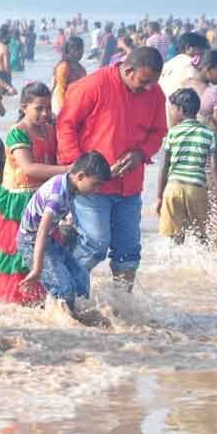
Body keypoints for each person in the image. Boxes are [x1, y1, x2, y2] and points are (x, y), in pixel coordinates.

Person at [57, 47, 167, 290]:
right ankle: (58, 293)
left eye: (153, 82)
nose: (148, 88)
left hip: (130, 187)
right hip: (92, 186)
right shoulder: (93, 85)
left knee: (128, 252)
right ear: (128, 70)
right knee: (94, 245)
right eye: (144, 81)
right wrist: (79, 169)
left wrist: (140, 154)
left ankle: (122, 308)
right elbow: (65, 125)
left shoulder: (156, 94)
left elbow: (158, 133)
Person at [0, 82, 71, 303]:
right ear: (24, 107)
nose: (44, 113)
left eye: (47, 108)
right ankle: (16, 298)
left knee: (43, 247)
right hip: (17, 200)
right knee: (14, 253)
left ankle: (42, 294)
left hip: (43, 196)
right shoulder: (17, 133)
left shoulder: (50, 128)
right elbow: (29, 168)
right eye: (39, 108)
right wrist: (69, 171)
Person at [17, 152, 112, 316]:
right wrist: (37, 269)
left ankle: (76, 317)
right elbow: (41, 230)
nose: (97, 190)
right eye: (96, 184)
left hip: (48, 241)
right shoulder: (58, 195)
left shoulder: (71, 185)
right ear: (81, 176)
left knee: (81, 278)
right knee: (64, 289)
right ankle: (61, 322)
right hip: (31, 242)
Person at [156, 88, 217, 246]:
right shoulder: (209, 134)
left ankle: (176, 268)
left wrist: (159, 196)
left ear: (180, 110)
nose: (171, 112)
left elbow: (164, 167)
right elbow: (215, 167)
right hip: (196, 189)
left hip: (173, 189)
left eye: (172, 108)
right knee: (202, 238)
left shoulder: (172, 133)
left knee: (175, 238)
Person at [51, 36, 87, 115]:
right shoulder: (64, 66)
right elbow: (61, 89)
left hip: (74, 105)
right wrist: (63, 110)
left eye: (82, 49)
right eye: (78, 49)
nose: (81, 52)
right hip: (61, 105)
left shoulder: (81, 68)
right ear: (70, 50)